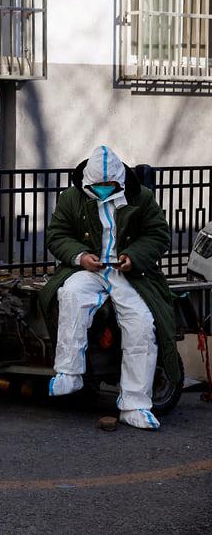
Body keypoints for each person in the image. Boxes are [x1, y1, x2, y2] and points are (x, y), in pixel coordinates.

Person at [40, 146, 179, 430]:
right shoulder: (72, 197)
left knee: (141, 323)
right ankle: (69, 372)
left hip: (129, 273)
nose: (103, 189)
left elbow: (158, 234)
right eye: (98, 185)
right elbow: (57, 235)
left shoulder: (142, 197)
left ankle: (135, 404)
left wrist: (133, 257)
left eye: (109, 185)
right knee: (71, 295)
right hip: (88, 269)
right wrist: (80, 256)